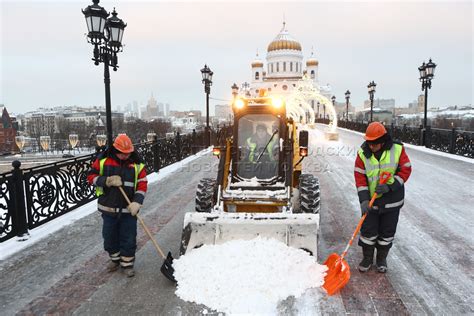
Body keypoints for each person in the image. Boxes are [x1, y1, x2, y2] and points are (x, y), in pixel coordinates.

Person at [354, 122, 411, 273]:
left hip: (392, 202)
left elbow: (406, 170)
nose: (371, 147)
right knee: (368, 232)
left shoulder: (397, 149)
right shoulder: (362, 153)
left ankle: (381, 259)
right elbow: (360, 178)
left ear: (383, 141)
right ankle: (367, 258)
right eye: (369, 143)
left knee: (387, 233)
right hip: (371, 203)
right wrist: (364, 200)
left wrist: (390, 186)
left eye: (375, 144)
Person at [87, 134, 148, 277]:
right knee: (109, 237)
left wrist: (137, 202)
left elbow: (142, 185)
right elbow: (91, 177)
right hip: (108, 208)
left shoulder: (137, 165)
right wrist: (106, 180)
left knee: (128, 237)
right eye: (122, 153)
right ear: (115, 150)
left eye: (127, 153)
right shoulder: (103, 161)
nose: (125, 156)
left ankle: (127, 264)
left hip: (128, 209)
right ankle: (115, 259)